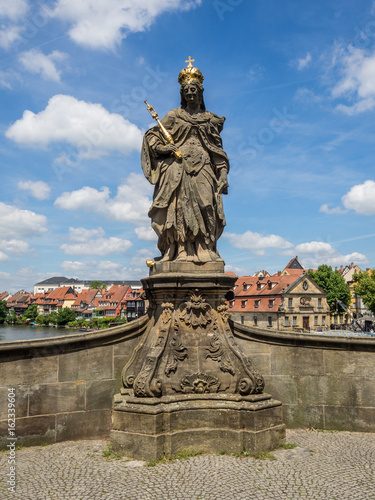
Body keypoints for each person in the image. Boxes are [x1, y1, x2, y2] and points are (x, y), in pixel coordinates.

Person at [141, 58, 229, 263]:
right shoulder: (174, 115)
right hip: (178, 168)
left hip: (204, 165)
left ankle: (205, 248)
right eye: (186, 91)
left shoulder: (209, 119)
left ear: (200, 92)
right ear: (182, 93)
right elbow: (152, 136)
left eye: (194, 90)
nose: (190, 94)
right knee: (179, 208)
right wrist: (165, 148)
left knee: (207, 204)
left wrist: (223, 173)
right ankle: (180, 249)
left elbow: (217, 150)